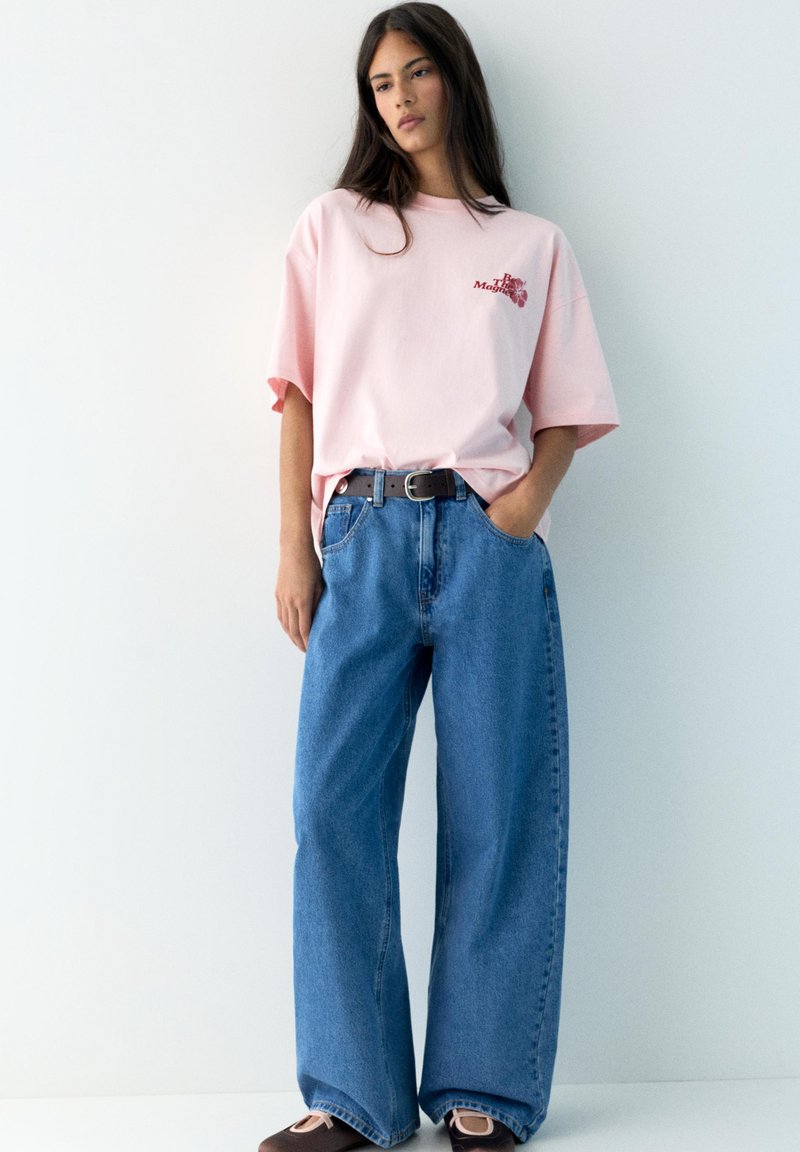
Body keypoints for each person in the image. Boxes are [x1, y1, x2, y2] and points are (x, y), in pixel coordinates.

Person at [259, 4, 620, 1152]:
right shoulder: (334, 226)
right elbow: (295, 392)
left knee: (498, 816)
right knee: (332, 811)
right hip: (360, 536)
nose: (399, 98)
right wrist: (294, 544)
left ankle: (483, 1088)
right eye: (379, 84)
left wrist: (522, 507)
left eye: (416, 73)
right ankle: (351, 1096)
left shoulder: (530, 246)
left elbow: (565, 409)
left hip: (485, 546)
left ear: (455, 81)